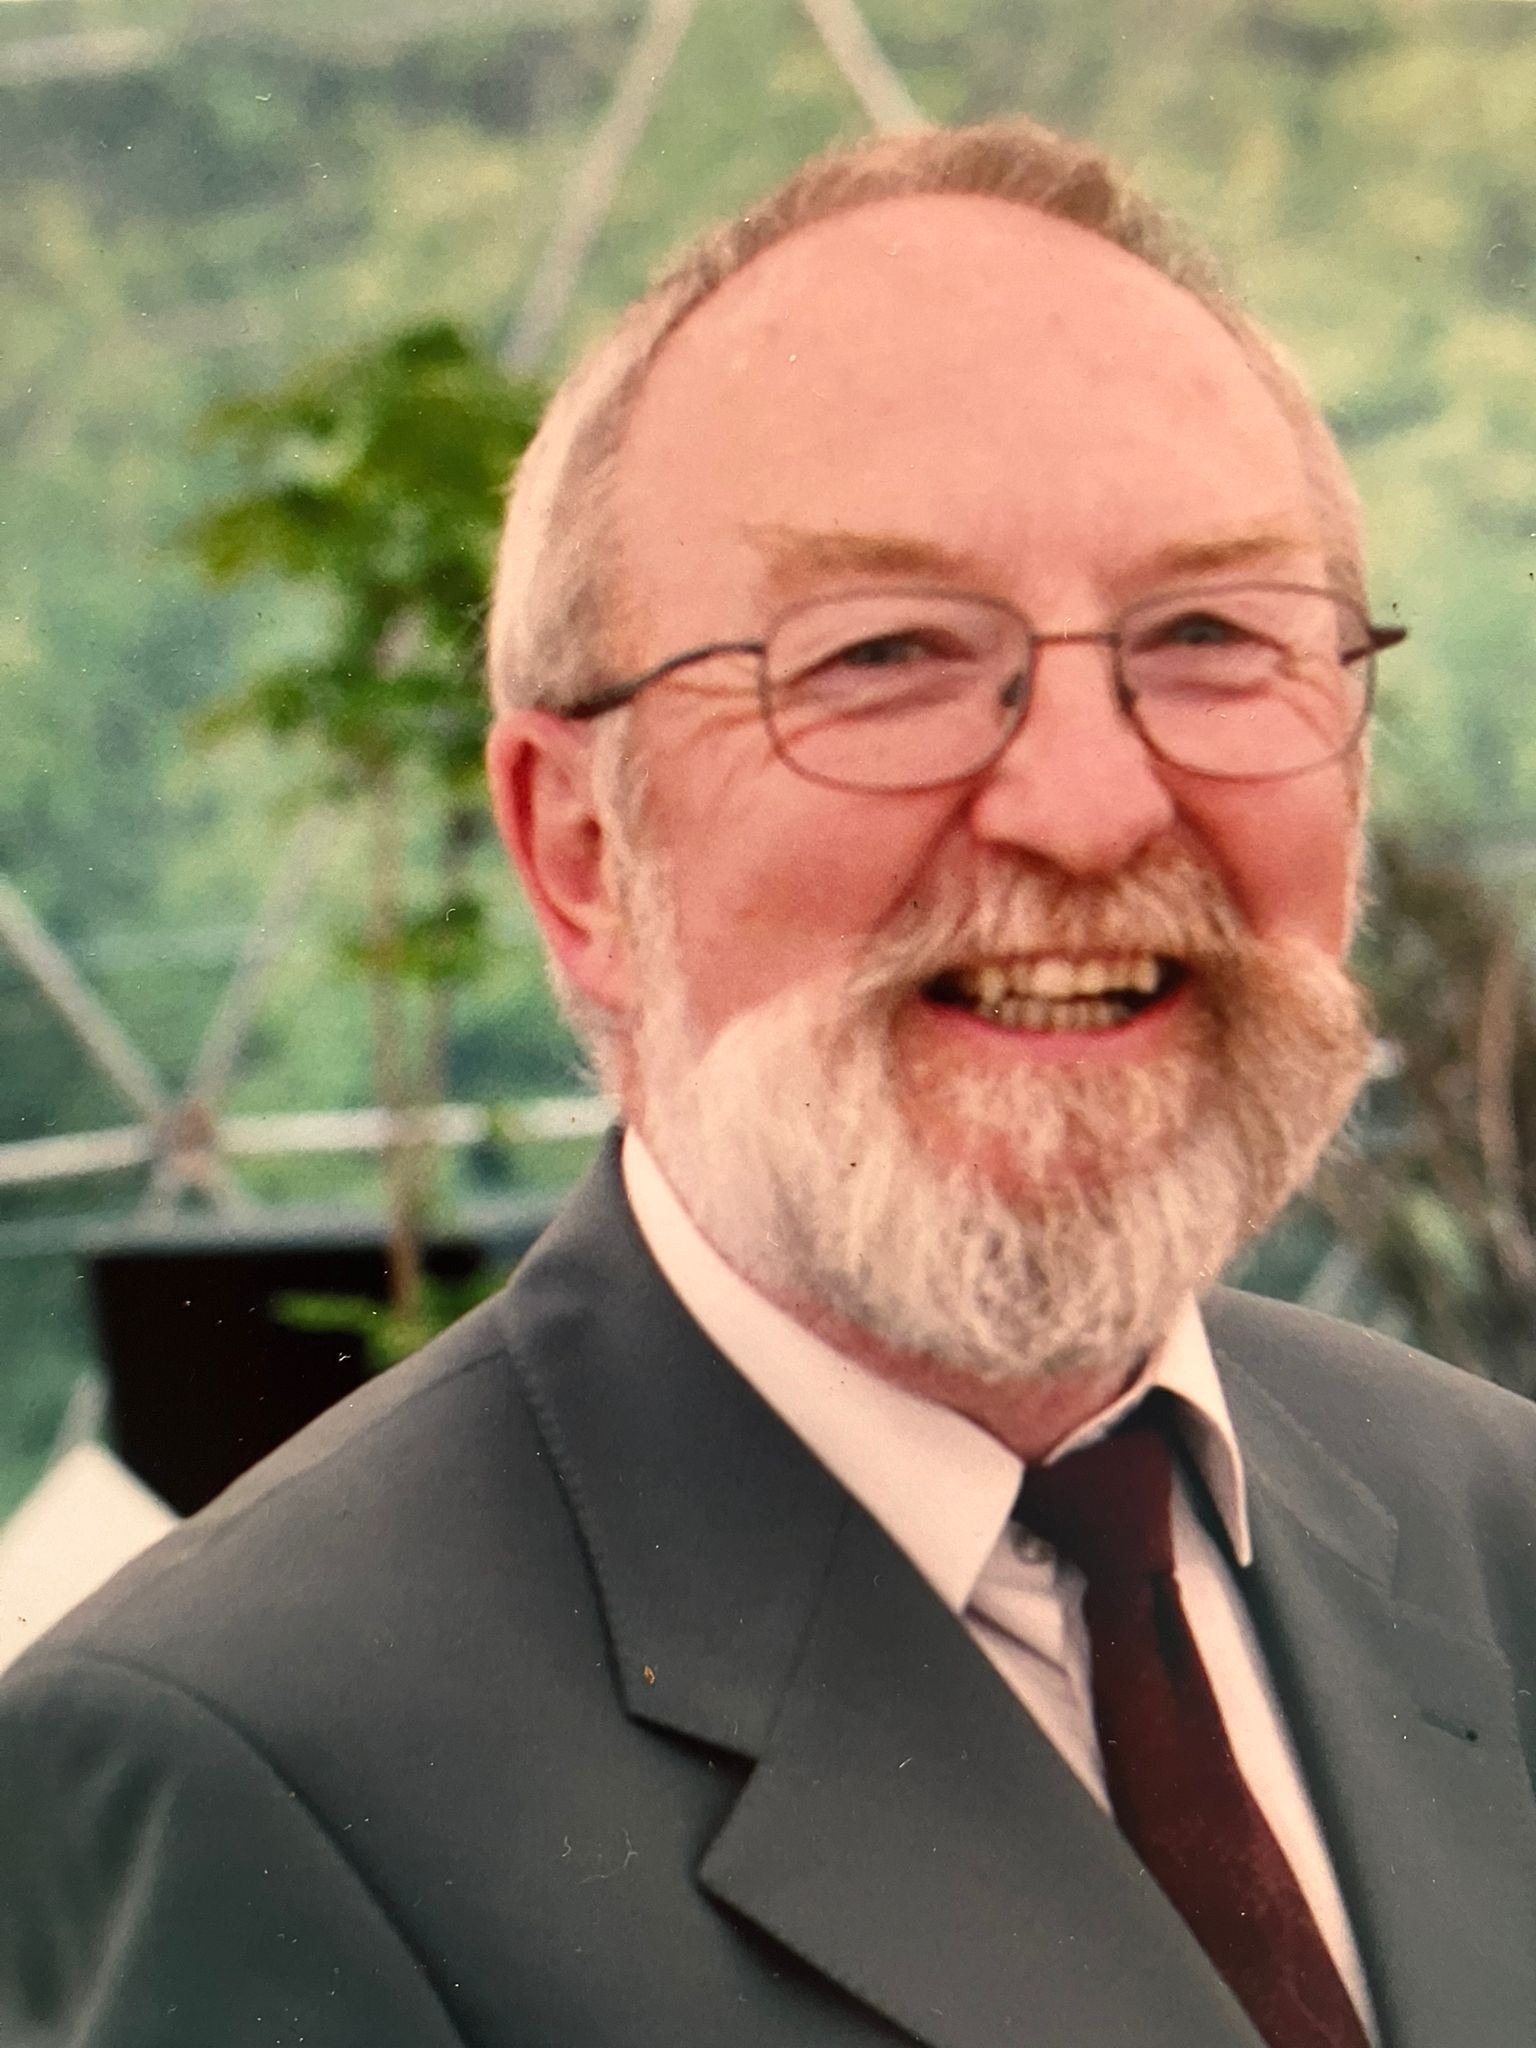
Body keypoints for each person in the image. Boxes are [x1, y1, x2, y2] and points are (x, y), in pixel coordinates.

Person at [2, 119, 1532, 2048]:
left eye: (1214, 636)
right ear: (581, 849)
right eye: (884, 654)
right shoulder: (251, 1781)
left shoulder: (1495, 1531)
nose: (1086, 806)